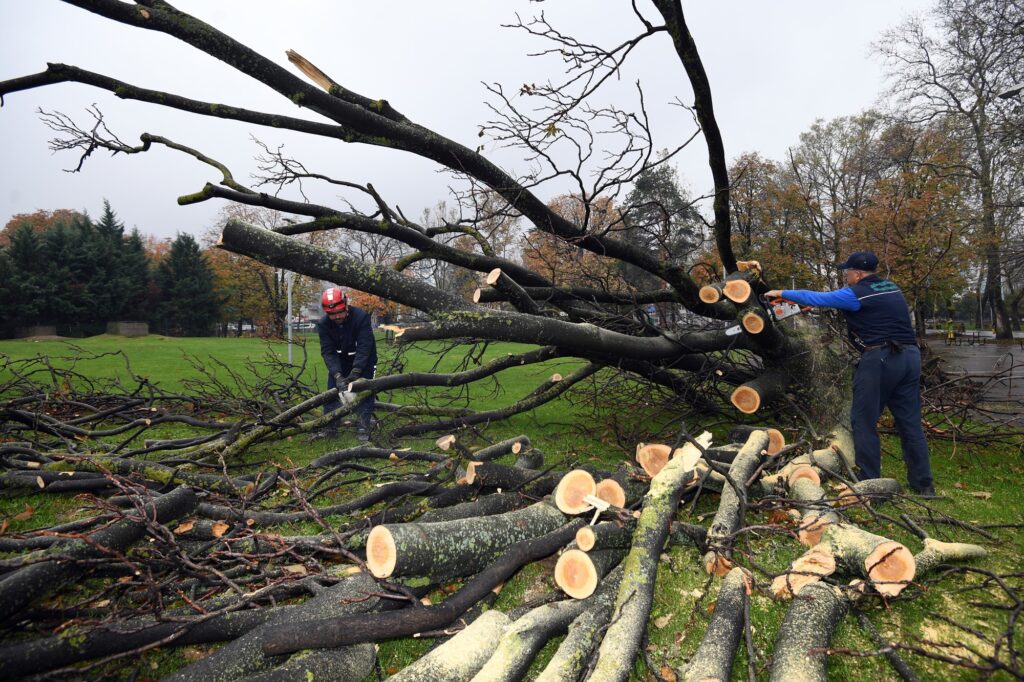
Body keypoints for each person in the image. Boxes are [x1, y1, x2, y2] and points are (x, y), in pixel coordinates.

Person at [765, 251, 935, 496]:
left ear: (857, 273)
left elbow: (820, 297)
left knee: (863, 420)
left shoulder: (857, 292)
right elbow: (868, 310)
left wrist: (782, 293)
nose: (846, 276)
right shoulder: (891, 287)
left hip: (881, 358)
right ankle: (924, 485)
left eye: (847, 272)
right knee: (909, 422)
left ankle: (869, 482)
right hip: (910, 357)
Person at [315, 287, 377, 441]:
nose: (336, 317)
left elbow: (364, 346)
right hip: (340, 360)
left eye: (339, 312)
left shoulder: (361, 317)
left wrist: (356, 372)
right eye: (332, 314)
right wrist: (337, 375)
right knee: (332, 393)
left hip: (365, 359)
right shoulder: (323, 325)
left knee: (364, 391)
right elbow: (328, 352)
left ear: (346, 305)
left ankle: (363, 426)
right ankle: (330, 427)